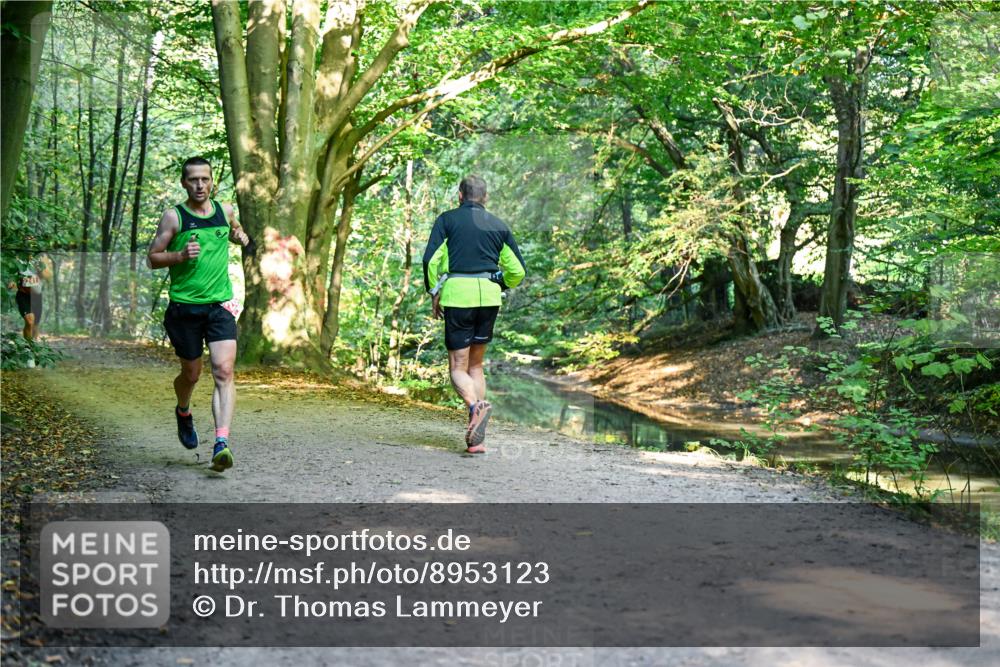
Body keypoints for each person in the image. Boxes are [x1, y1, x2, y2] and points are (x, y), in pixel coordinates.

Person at [147, 157, 251, 473]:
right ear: (184, 183)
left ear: (212, 182)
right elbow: (152, 258)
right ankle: (183, 411)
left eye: (205, 179)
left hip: (219, 306)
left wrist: (239, 236)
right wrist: (179, 255)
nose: (200, 185)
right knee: (191, 374)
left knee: (223, 370)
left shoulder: (225, 210)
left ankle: (221, 443)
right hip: (184, 309)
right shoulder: (174, 217)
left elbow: (234, 229)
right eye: (193, 180)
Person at [422, 175, 526, 454]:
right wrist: (499, 282)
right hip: (489, 296)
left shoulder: (447, 220)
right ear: (486, 197)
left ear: (459, 195)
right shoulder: (499, 225)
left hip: (459, 294)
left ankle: (474, 406)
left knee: (458, 366)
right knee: (476, 366)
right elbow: (518, 271)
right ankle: (478, 438)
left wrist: (434, 292)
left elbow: (429, 260)